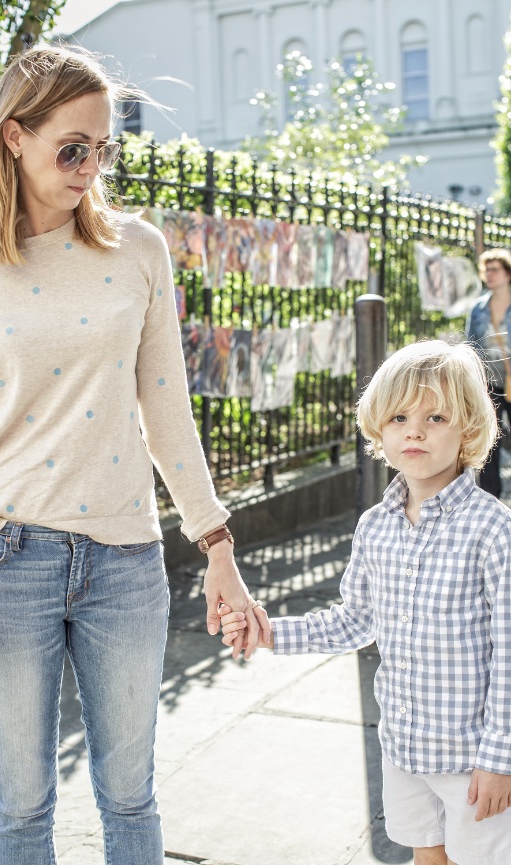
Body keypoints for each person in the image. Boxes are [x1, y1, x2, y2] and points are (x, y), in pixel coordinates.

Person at [0, 45, 267, 865]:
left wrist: (217, 545)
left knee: (129, 795)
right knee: (23, 807)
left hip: (125, 560)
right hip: (0, 558)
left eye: (103, 149)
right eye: (71, 148)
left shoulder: (139, 250)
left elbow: (165, 408)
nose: (91, 167)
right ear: (13, 137)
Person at [220, 340, 511, 865]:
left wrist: (501, 758)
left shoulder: (492, 530)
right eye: (399, 416)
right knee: (427, 854)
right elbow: (355, 620)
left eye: (436, 416)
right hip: (403, 746)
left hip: (473, 757)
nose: (414, 430)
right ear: (380, 428)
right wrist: (267, 630)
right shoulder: (376, 527)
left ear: (468, 429)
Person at [466, 248, 511, 497]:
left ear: (507, 273)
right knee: (490, 441)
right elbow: (472, 345)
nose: (489, 275)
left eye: (495, 269)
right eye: (487, 270)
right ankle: (491, 497)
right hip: (489, 382)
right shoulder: (479, 309)